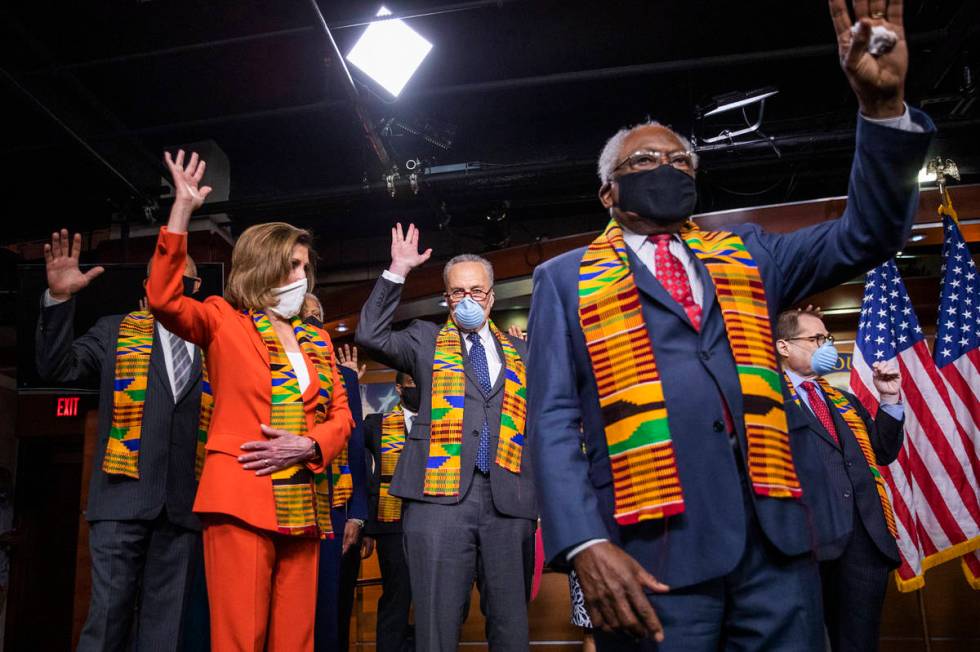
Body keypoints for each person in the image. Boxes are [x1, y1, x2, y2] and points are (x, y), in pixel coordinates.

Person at [525, 1, 934, 649]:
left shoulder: (750, 253)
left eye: (680, 161)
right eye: (643, 162)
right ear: (608, 193)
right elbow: (547, 419)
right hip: (651, 557)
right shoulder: (563, 279)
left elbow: (869, 234)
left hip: (775, 550)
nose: (666, 167)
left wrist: (882, 112)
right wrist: (582, 540)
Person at [147, 150, 354, 651]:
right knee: (239, 637)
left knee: (296, 639)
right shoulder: (221, 319)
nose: (302, 276)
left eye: (305, 266)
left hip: (303, 499)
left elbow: (344, 415)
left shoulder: (318, 339)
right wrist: (181, 211)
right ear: (264, 267)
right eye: (292, 265)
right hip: (240, 495)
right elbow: (164, 299)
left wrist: (307, 446)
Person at [355, 226, 537, 650]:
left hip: (509, 502)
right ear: (446, 298)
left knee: (512, 630)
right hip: (438, 501)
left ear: (492, 297)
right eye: (458, 293)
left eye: (477, 291)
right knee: (436, 628)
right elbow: (369, 335)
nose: (468, 300)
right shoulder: (425, 339)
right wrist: (397, 271)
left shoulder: (523, 352)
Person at [35, 229, 205, 652]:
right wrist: (59, 301)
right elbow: (57, 369)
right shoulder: (114, 331)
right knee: (107, 627)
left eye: (188, 280)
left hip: (183, 510)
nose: (179, 284)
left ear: (198, 289)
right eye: (170, 275)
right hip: (121, 502)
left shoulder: (210, 343)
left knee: (163, 637)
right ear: (150, 285)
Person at [775, 307, 903, 652]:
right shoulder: (770, 401)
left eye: (827, 338)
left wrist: (889, 398)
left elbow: (882, 451)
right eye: (815, 339)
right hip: (806, 542)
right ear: (784, 347)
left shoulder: (844, 401)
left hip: (863, 543)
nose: (825, 346)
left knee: (858, 643)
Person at [303, 294, 370, 652]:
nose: (311, 320)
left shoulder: (343, 376)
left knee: (330, 608)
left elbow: (356, 445)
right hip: (285, 495)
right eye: (305, 313)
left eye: (317, 315)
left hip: (334, 503)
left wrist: (358, 514)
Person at [364, 371, 418, 652]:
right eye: (411, 383)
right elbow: (362, 471)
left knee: (433, 600)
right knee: (397, 596)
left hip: (432, 524)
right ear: (399, 388)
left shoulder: (441, 424)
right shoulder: (376, 425)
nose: (418, 387)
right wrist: (365, 524)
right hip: (391, 523)